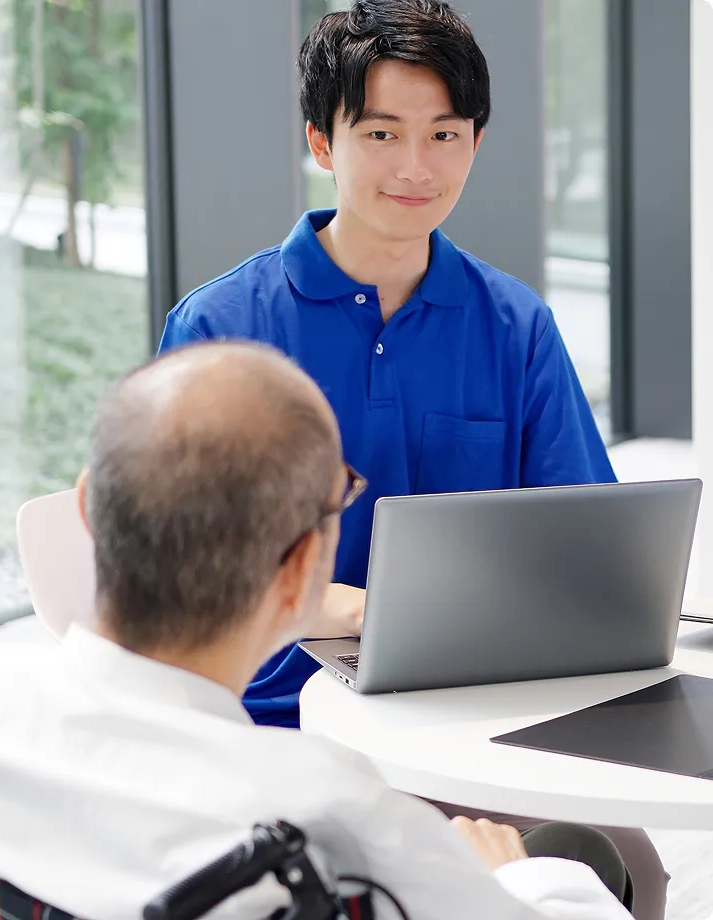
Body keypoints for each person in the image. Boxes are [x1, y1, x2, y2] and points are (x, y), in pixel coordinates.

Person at [155, 4, 668, 918]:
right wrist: (369, 611)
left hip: (475, 724)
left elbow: (587, 551)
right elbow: (190, 578)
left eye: (443, 134)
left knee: (628, 861)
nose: (415, 167)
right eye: (382, 133)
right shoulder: (223, 327)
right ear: (322, 140)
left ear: (476, 142)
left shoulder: (515, 324)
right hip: (279, 729)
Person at [0, 343, 632, 920]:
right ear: (301, 567)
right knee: (580, 856)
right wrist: (516, 878)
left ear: (88, 507)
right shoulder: (326, 812)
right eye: (342, 496)